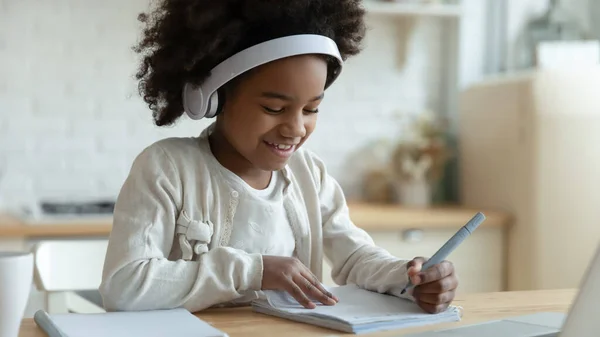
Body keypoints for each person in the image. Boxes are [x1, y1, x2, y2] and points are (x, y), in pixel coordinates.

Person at [99, 0, 459, 314]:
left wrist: (408, 276)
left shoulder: (310, 175)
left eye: (311, 109)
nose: (296, 128)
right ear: (214, 97)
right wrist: (253, 271)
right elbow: (124, 285)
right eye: (274, 107)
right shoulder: (167, 168)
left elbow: (354, 257)